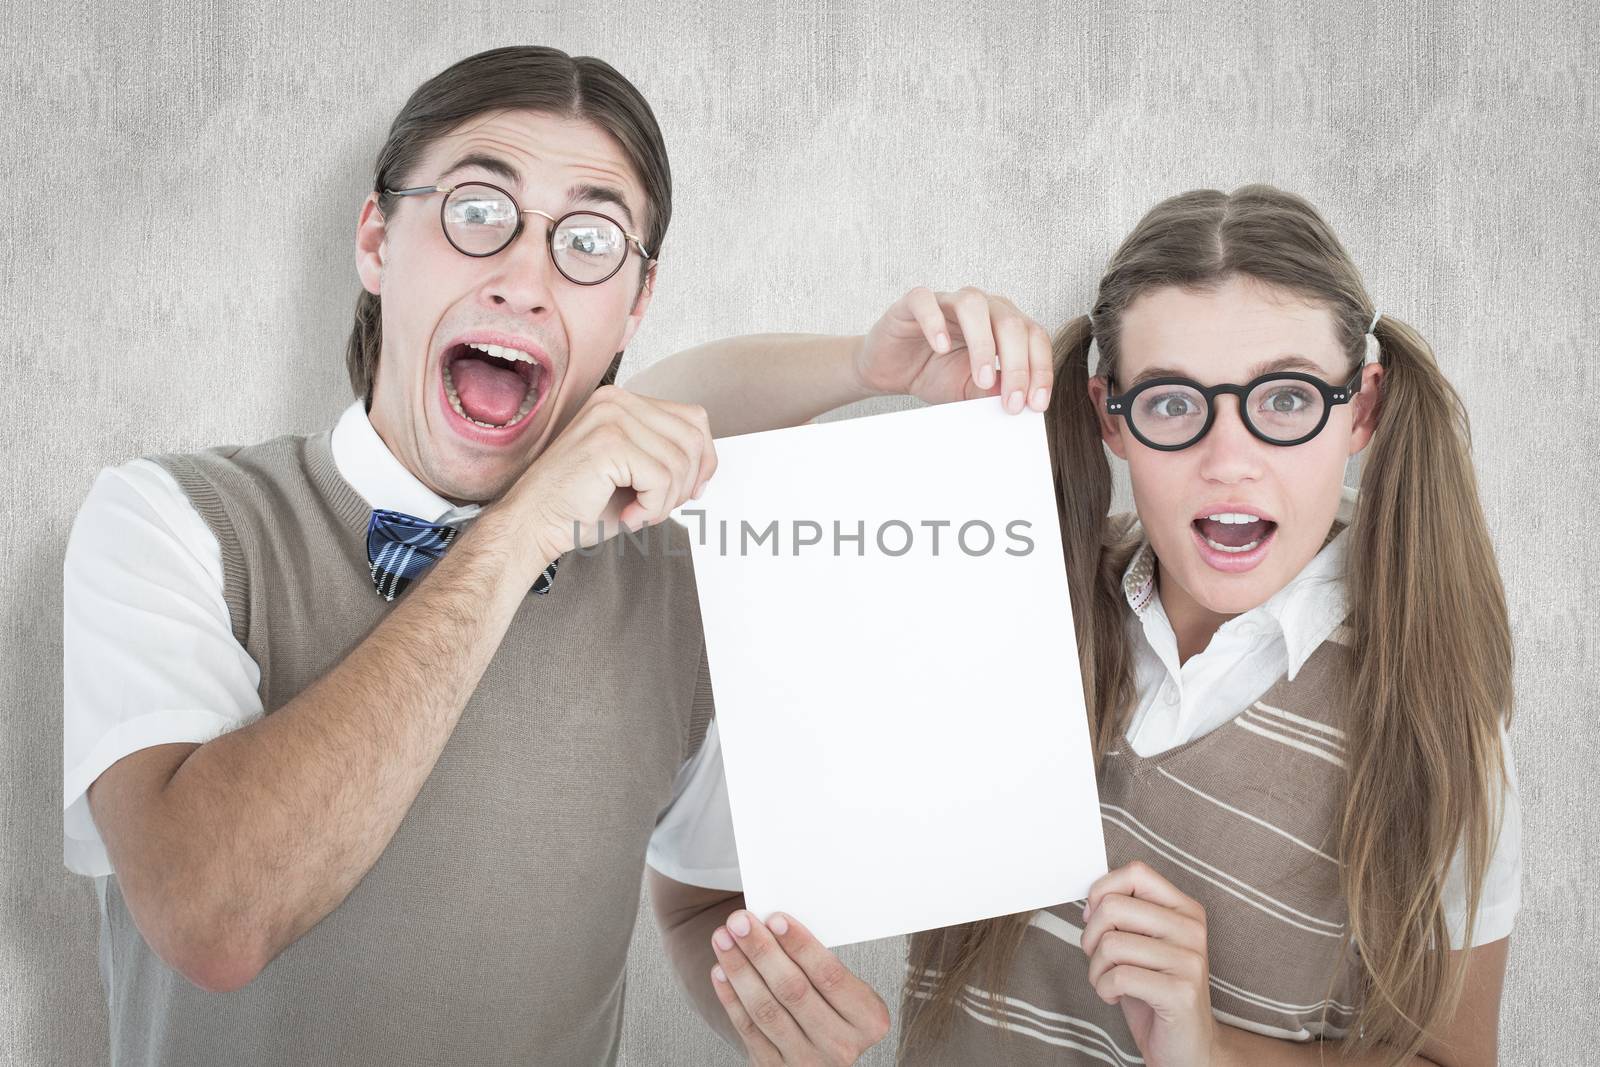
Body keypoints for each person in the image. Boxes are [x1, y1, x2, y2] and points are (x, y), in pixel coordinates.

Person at [60, 44, 1042, 1065]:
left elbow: (699, 899)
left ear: (635, 301)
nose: (524, 280)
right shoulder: (169, 521)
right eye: (477, 212)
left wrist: (764, 989)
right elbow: (212, 918)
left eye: (588, 239)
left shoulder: (671, 586)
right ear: (374, 241)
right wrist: (515, 529)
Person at [638, 185, 1521, 1066]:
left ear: (1360, 409)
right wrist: (870, 369)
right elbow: (632, 433)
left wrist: (1210, 1051)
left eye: (1285, 399)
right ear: (1112, 416)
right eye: (1174, 402)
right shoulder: (991, 590)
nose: (1230, 462)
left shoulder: (1432, 713)